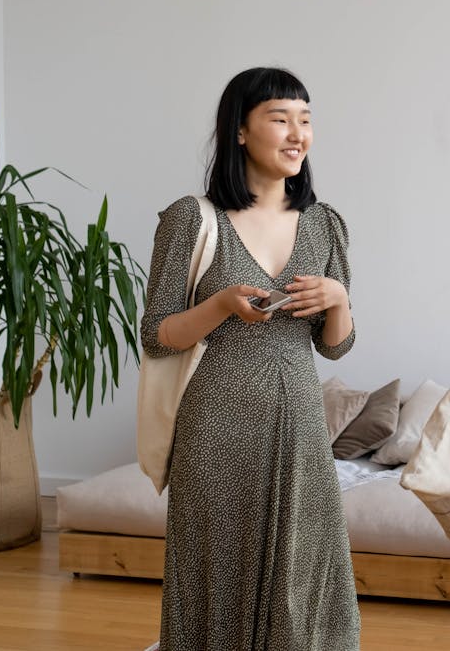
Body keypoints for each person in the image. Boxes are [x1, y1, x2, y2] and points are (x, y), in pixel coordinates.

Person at [140, 67, 359, 650]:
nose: (298, 134)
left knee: (306, 569)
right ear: (240, 131)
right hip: (216, 429)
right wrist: (219, 305)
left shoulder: (324, 224)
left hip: (301, 432)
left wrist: (338, 298)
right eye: (280, 118)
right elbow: (156, 334)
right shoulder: (192, 219)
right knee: (214, 568)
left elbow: (333, 344)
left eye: (306, 120)